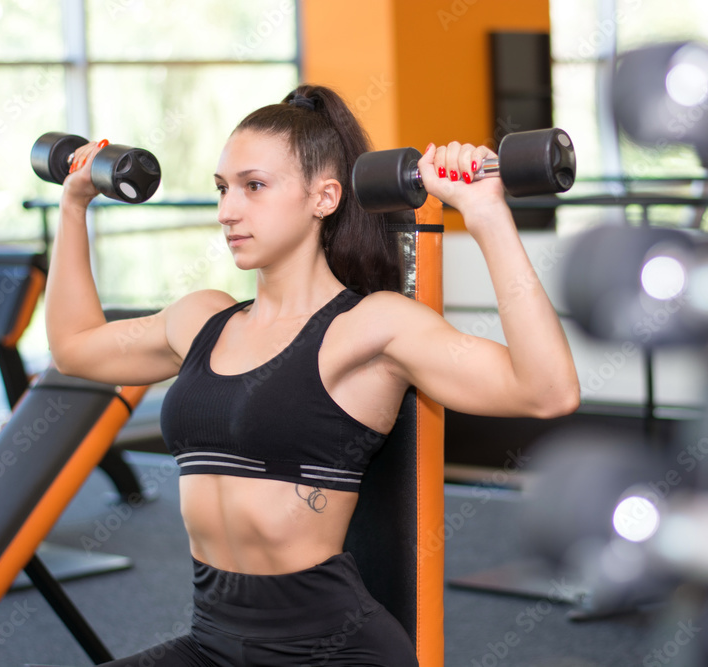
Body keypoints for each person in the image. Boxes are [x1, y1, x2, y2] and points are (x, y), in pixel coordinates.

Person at [45, 83, 580, 666]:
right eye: (223, 189)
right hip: (212, 644)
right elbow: (74, 349)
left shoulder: (370, 328)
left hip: (330, 651)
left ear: (324, 197)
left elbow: (547, 391)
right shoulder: (200, 319)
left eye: (254, 187)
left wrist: (485, 216)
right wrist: (73, 207)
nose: (228, 210)